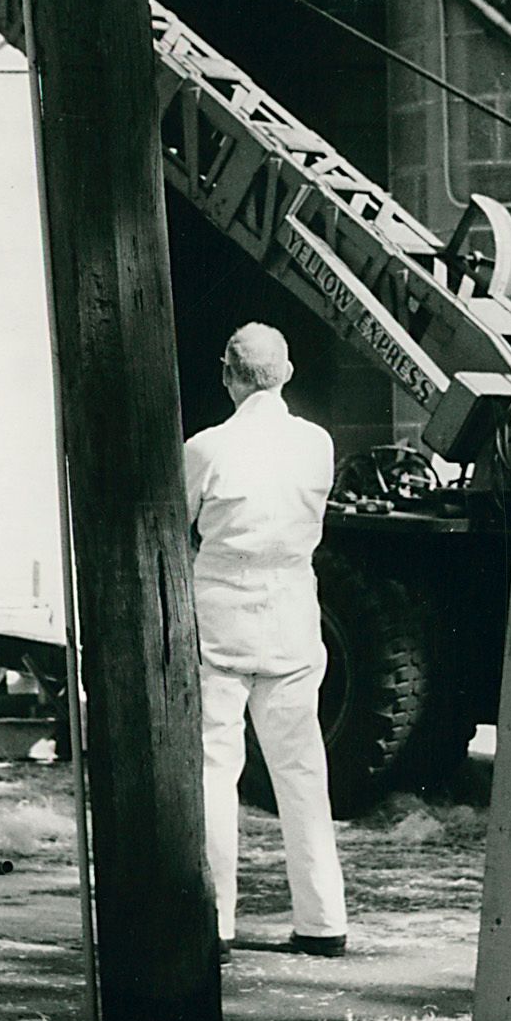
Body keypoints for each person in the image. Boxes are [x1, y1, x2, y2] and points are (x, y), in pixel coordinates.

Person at [185, 322, 348, 958]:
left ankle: (214, 922)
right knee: (303, 772)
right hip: (292, 617)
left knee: (214, 770)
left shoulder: (206, 448)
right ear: (286, 374)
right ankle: (323, 922)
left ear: (227, 374)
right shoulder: (316, 443)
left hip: (222, 617)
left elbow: (180, 519)